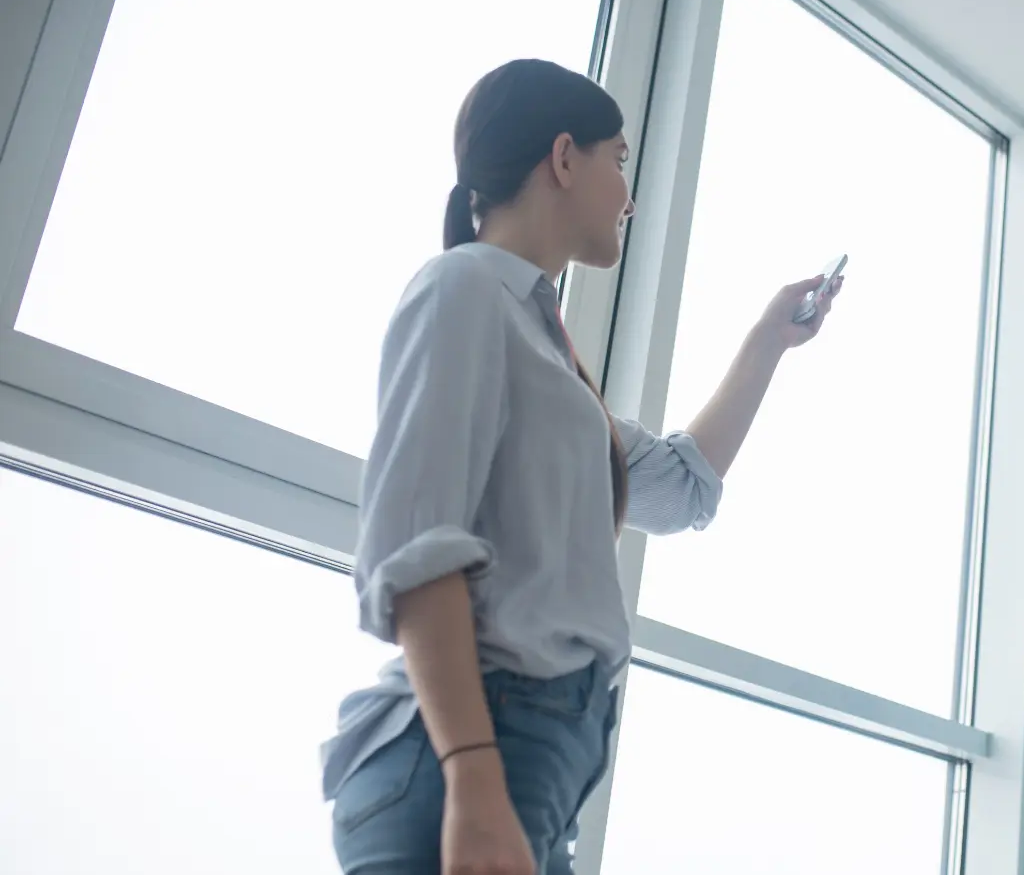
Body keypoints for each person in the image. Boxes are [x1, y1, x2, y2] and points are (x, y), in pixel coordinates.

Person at [320, 59, 841, 875]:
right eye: (620, 160)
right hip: (467, 760)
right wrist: (474, 783)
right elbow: (417, 555)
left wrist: (770, 342)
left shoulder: (548, 359)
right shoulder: (463, 288)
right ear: (564, 158)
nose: (629, 197)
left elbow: (677, 492)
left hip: (522, 768)